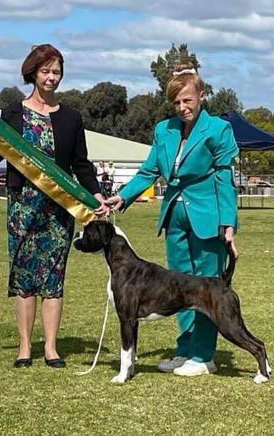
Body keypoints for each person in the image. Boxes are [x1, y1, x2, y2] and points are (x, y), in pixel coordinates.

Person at [0, 44, 108, 369]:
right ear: (33, 73)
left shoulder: (72, 118)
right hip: (23, 207)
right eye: (46, 71)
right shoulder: (11, 114)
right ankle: (24, 347)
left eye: (56, 72)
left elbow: (81, 163)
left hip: (59, 209)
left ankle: (51, 348)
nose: (51, 77)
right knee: (24, 276)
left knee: (53, 277)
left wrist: (96, 194)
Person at [107, 63, 239, 377]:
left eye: (187, 100)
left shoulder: (218, 129)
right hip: (174, 218)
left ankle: (203, 356)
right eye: (176, 102)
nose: (182, 107)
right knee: (177, 287)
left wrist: (229, 223)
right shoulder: (163, 130)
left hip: (208, 217)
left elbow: (224, 179)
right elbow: (148, 172)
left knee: (206, 286)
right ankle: (185, 350)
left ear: (202, 96)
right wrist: (122, 196)